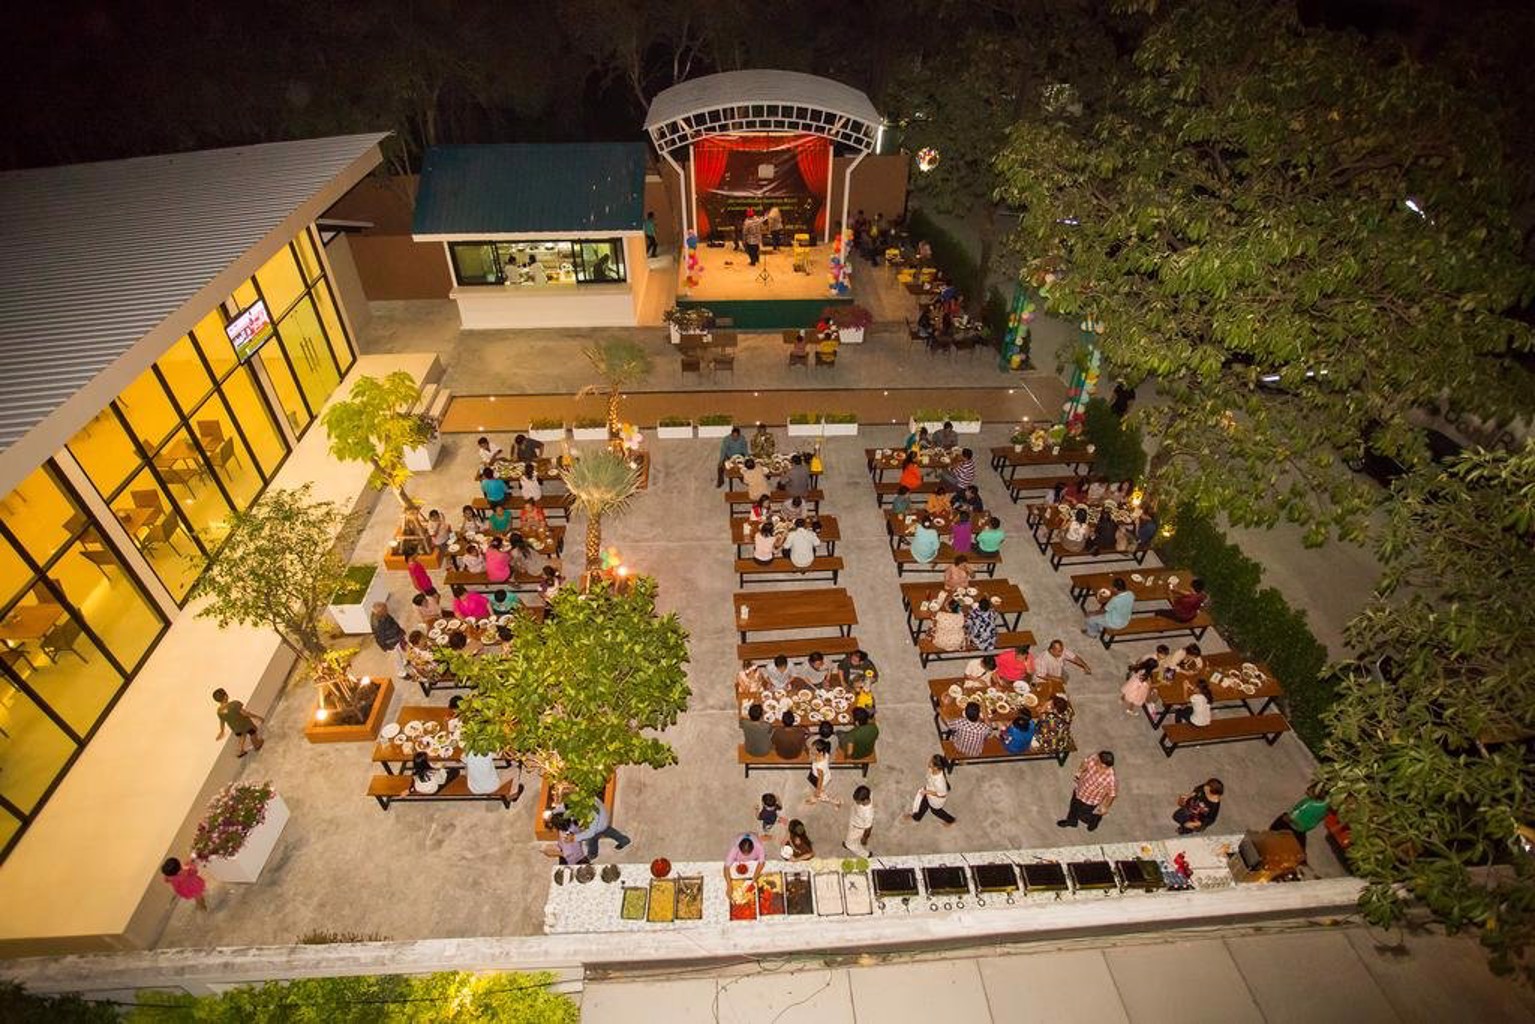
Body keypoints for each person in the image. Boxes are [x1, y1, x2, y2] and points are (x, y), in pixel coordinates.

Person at [1057, 751, 1117, 832]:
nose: (1095, 761)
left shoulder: (1110, 778)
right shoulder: (1095, 757)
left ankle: (1094, 819)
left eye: (1098, 762)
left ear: (1104, 766)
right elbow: (1085, 762)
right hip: (1079, 790)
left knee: (1083, 816)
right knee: (1073, 808)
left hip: (1090, 800)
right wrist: (1079, 771)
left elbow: (1112, 794)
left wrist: (1105, 807)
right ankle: (1071, 822)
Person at [1271, 785, 1331, 850]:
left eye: (1310, 790)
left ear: (1316, 793)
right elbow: (1322, 817)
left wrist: (1285, 818)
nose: (1306, 791)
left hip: (1294, 827)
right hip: (1302, 831)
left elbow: (1289, 818)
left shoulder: (1309, 804)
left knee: (1279, 822)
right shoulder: (1325, 804)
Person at [905, 754, 956, 826]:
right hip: (929, 794)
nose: (929, 761)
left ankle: (951, 820)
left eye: (931, 761)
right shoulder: (932, 769)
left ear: (936, 767)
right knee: (923, 805)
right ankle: (916, 817)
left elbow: (942, 794)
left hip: (935, 800)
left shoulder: (939, 782)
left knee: (935, 811)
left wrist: (927, 791)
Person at [212, 687, 263, 756]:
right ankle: (257, 744)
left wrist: (222, 731)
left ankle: (240, 751)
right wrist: (257, 717)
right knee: (253, 733)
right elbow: (245, 713)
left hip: (236, 728)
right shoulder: (234, 704)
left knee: (242, 736)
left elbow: (222, 721)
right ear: (225, 696)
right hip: (246, 724)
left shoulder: (219, 711)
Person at [805, 739, 839, 807]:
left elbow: (820, 779)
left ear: (820, 753)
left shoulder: (819, 766)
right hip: (826, 775)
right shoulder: (825, 754)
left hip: (822, 780)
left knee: (821, 794)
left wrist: (818, 790)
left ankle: (836, 802)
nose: (811, 751)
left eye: (813, 750)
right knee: (818, 791)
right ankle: (815, 798)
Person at [844, 786, 875, 857]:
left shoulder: (868, 814)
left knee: (850, 844)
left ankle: (866, 854)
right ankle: (848, 841)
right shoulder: (868, 794)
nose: (856, 802)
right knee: (849, 834)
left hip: (858, 827)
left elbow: (868, 828)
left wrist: (865, 838)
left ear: (865, 800)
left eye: (858, 801)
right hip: (855, 819)